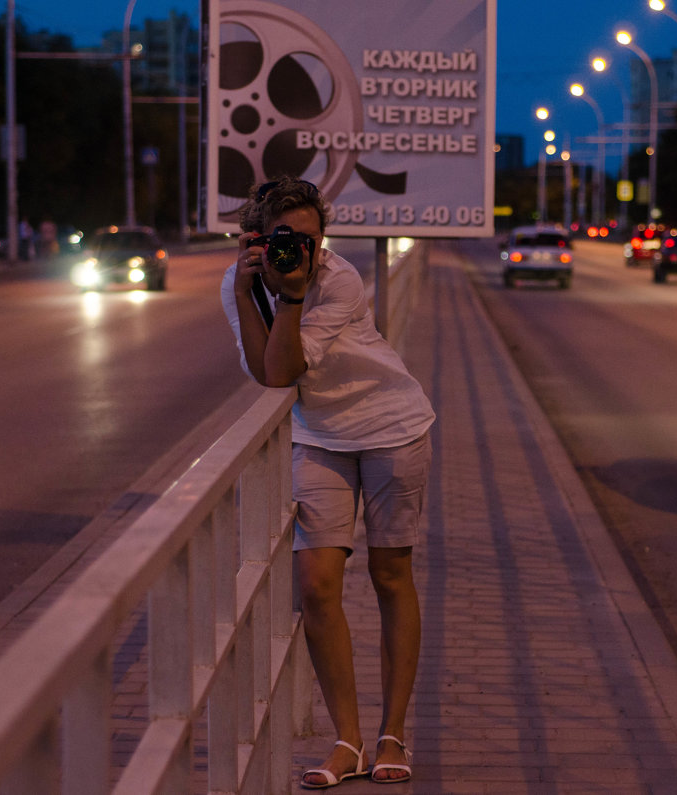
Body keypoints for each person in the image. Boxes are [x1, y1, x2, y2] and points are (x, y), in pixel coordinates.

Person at [220, 175, 433, 787]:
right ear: (257, 239)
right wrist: (250, 289)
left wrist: (289, 297)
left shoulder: (339, 279)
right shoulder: (240, 283)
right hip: (319, 438)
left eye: (313, 239)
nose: (304, 253)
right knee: (315, 586)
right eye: (288, 239)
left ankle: (392, 736)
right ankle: (348, 743)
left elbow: (283, 366)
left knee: (390, 574)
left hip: (394, 427)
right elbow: (271, 376)